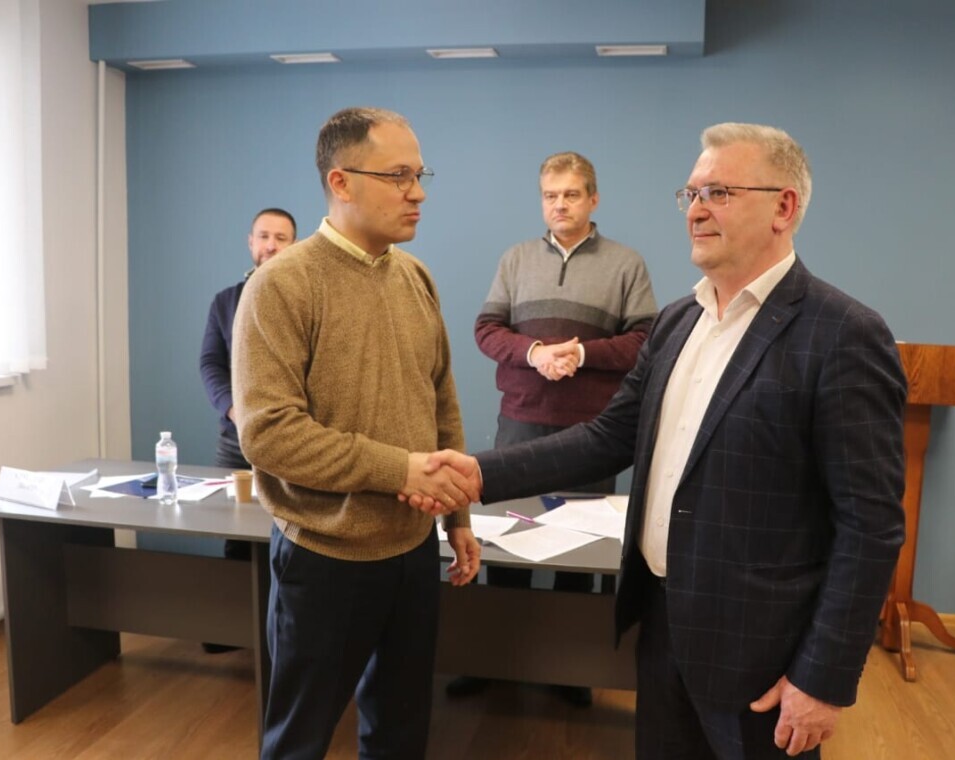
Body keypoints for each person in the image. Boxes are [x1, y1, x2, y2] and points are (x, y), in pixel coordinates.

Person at [418, 123, 907, 759]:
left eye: (719, 193)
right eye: (691, 194)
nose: (697, 210)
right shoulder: (679, 321)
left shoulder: (843, 333)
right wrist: (478, 474)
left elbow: (871, 527)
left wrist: (823, 678)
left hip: (762, 653)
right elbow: (608, 437)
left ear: (784, 207)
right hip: (662, 628)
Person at [232, 107, 481, 760]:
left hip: (413, 550)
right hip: (325, 558)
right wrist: (400, 470)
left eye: (419, 175)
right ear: (340, 182)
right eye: (398, 176)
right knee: (299, 738)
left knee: (401, 732)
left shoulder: (415, 277)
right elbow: (270, 434)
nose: (417, 192)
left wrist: (457, 516)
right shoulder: (280, 285)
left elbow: (441, 403)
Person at [451, 151, 657, 706]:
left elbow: (645, 340)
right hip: (519, 424)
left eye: (570, 194)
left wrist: (582, 354)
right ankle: (494, 663)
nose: (559, 205)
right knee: (503, 548)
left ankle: (569, 673)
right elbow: (487, 329)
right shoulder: (516, 258)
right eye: (550, 195)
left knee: (580, 553)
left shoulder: (626, 264)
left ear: (593, 198)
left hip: (592, 436)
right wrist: (536, 352)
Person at [199, 207, 297, 579]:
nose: (271, 245)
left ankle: (283, 614)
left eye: (281, 238)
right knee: (237, 535)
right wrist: (234, 410)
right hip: (236, 442)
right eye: (264, 237)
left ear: (295, 245)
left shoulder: (306, 298)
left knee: (292, 535)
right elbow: (211, 364)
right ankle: (239, 611)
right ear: (251, 242)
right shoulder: (225, 302)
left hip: (293, 443)